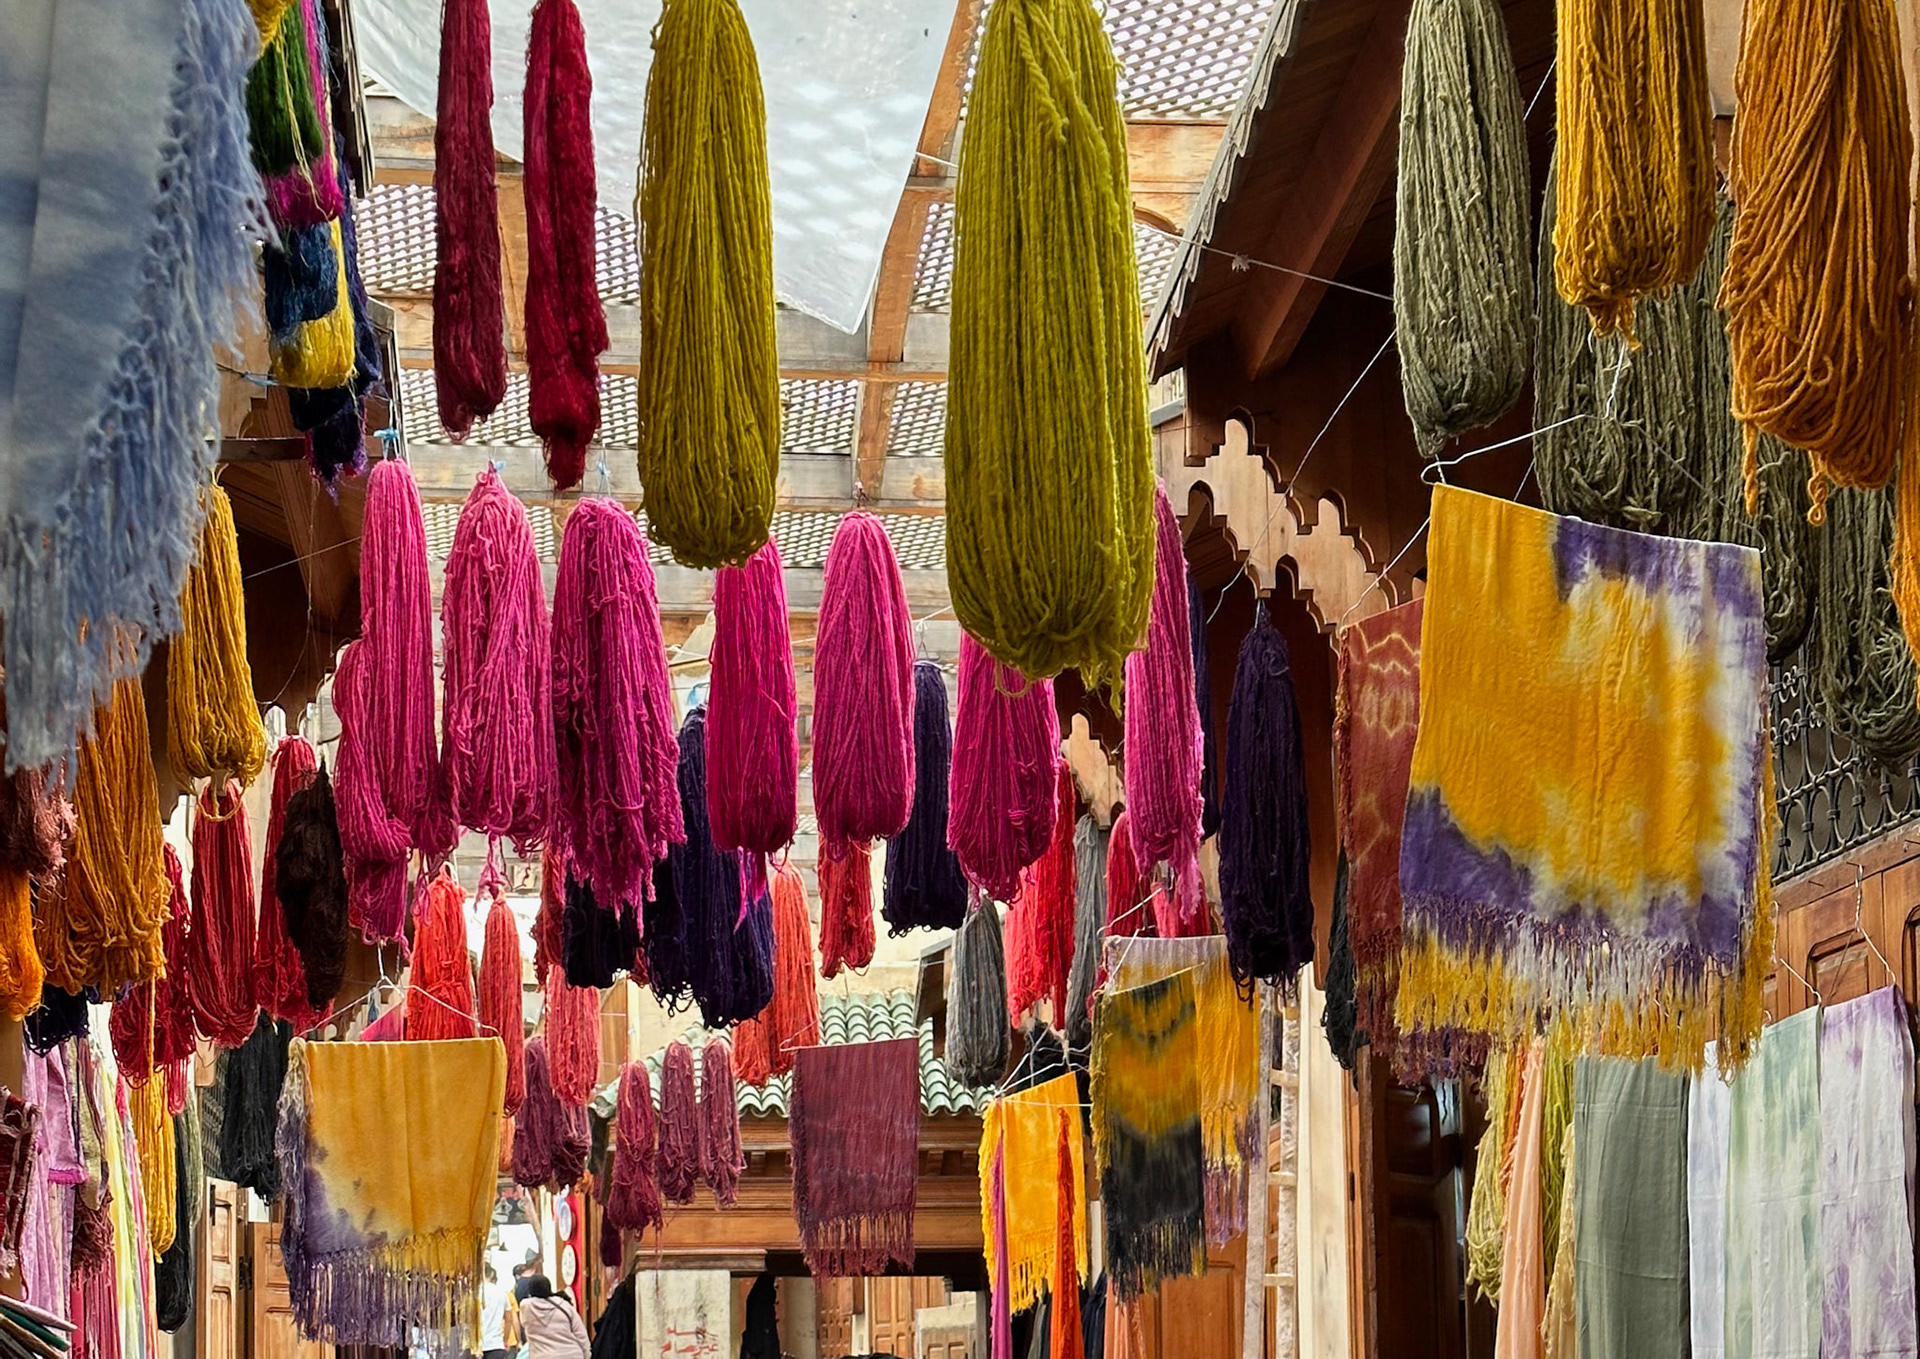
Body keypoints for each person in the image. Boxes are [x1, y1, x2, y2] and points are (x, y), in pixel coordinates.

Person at [519, 1274, 591, 1359]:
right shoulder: (563, 1305)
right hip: (571, 1354)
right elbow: (581, 1334)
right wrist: (587, 1355)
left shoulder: (526, 1307)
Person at [478, 1262, 512, 1359]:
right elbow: (509, 1319)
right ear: (492, 1274)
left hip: (476, 1346)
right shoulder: (502, 1293)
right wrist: (505, 1340)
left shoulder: (473, 1293)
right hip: (496, 1344)